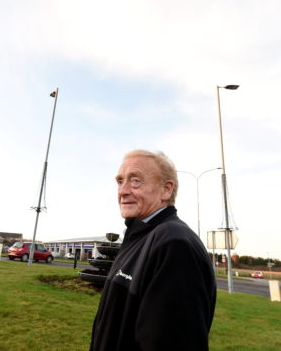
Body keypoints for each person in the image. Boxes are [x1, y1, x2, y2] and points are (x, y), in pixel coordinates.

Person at [90, 150, 216, 351]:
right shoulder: (140, 236)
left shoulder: (174, 245)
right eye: (119, 181)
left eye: (135, 181)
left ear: (166, 190)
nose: (122, 191)